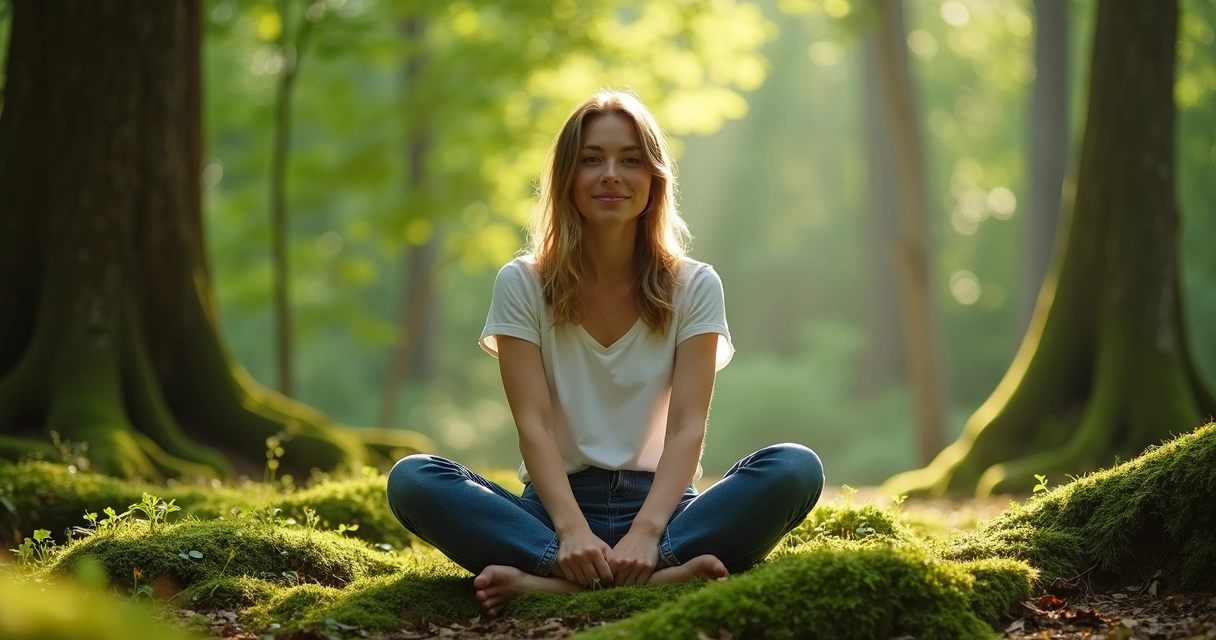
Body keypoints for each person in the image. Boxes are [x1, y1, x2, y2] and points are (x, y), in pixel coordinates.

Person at [386, 89, 824, 616]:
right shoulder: (522, 282)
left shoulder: (695, 285)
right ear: (567, 177)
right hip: (553, 510)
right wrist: (569, 530)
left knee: (795, 468)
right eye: (592, 159)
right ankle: (651, 577)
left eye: (630, 160)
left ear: (654, 179)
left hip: (666, 509)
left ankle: (554, 583)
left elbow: (688, 427)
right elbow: (534, 425)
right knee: (413, 479)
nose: (611, 174)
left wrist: (646, 532)